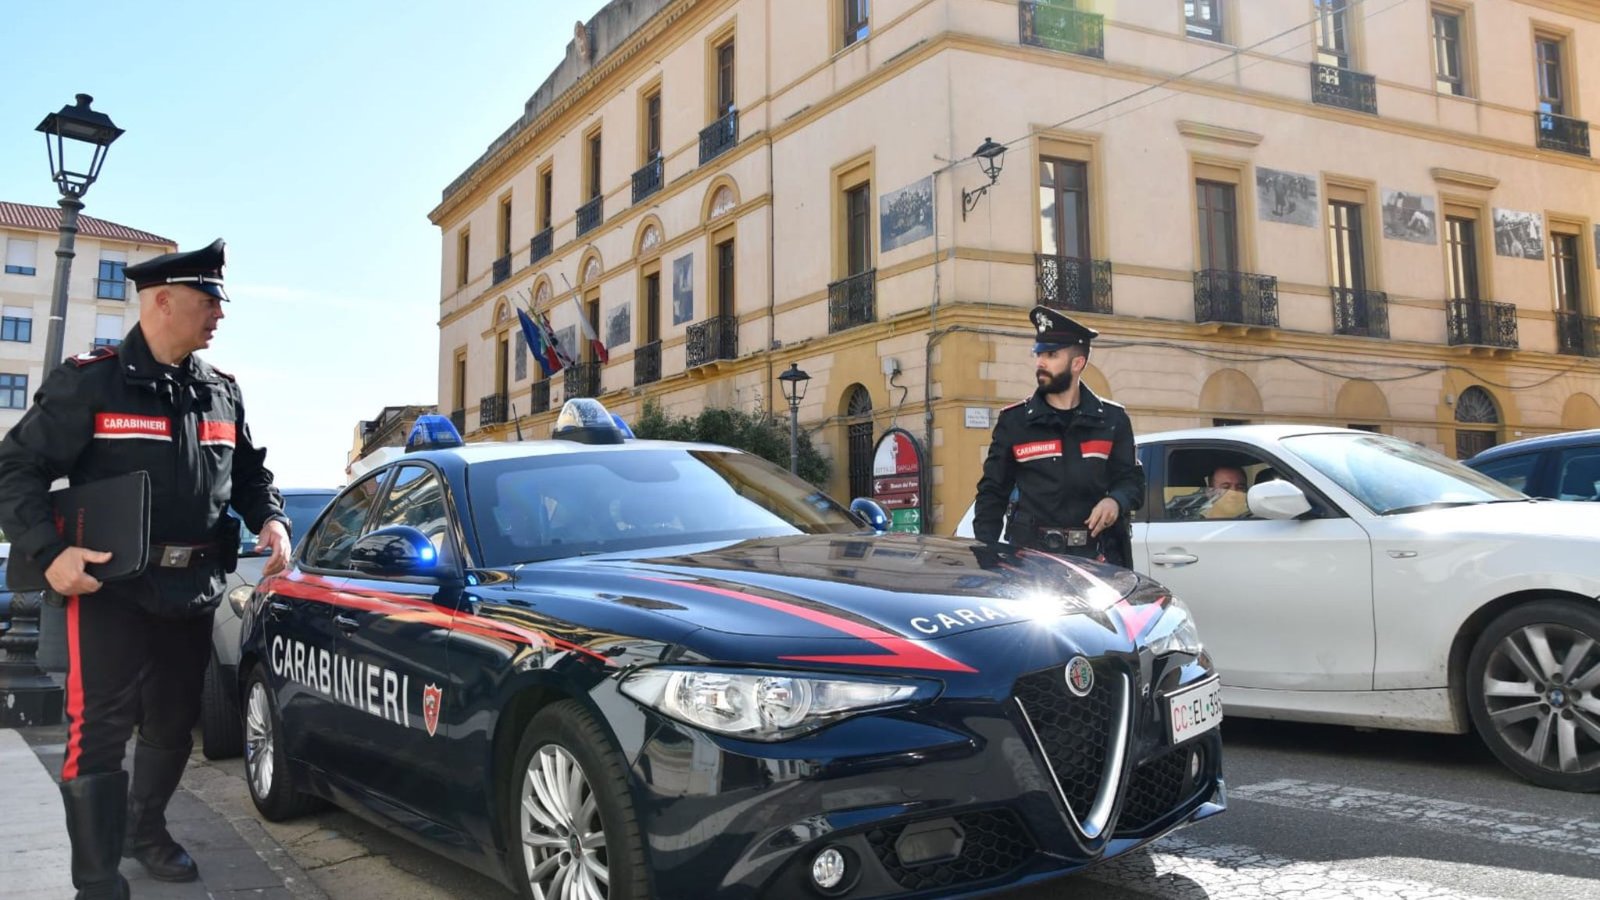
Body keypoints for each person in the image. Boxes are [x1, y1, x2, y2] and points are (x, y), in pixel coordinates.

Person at [0, 239, 290, 899]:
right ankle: (98, 880)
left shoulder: (221, 392)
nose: (220, 313)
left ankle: (144, 831)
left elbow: (249, 473)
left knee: (171, 719)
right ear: (163, 300)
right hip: (109, 588)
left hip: (193, 589)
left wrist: (271, 516)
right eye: (209, 299)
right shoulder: (91, 380)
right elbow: (15, 469)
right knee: (98, 728)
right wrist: (51, 553)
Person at [973, 306, 1143, 566]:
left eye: (1051, 355)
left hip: (1098, 560)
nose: (1040, 362)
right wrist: (988, 557)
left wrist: (1115, 501)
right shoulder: (1016, 421)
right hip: (1030, 561)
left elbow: (1131, 481)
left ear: (1077, 363)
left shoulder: (1112, 419)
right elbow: (992, 493)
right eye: (1038, 354)